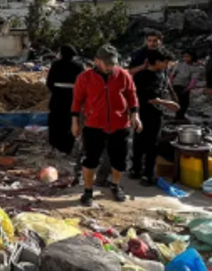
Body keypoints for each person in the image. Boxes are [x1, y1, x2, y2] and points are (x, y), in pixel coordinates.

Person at [71, 44, 140, 206]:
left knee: (119, 160)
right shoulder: (85, 77)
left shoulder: (123, 75)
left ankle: (115, 186)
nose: (111, 66)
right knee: (90, 160)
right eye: (107, 63)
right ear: (96, 61)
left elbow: (132, 96)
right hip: (94, 125)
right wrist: (74, 122)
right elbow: (77, 101)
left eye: (113, 63)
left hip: (120, 124)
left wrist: (135, 115)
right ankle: (88, 191)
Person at [131, 49, 178, 185]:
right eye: (166, 62)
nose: (167, 65)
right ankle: (146, 174)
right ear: (157, 62)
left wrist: (172, 95)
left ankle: (137, 170)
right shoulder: (143, 76)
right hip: (146, 113)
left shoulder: (161, 73)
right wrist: (167, 103)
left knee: (141, 142)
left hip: (152, 112)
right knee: (149, 144)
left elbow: (166, 84)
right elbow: (148, 98)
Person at [45, 45, 84, 155]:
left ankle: (54, 145)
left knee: (55, 121)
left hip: (58, 98)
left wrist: (56, 92)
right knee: (69, 122)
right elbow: (83, 83)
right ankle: (67, 147)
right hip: (72, 98)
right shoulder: (78, 66)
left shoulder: (56, 65)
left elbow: (49, 83)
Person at [170, 50, 196, 121]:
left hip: (186, 86)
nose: (186, 58)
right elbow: (172, 75)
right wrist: (170, 84)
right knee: (180, 101)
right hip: (177, 84)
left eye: (188, 57)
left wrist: (188, 88)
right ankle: (178, 117)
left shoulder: (194, 67)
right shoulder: (179, 65)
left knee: (185, 102)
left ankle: (180, 116)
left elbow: (193, 80)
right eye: (185, 57)